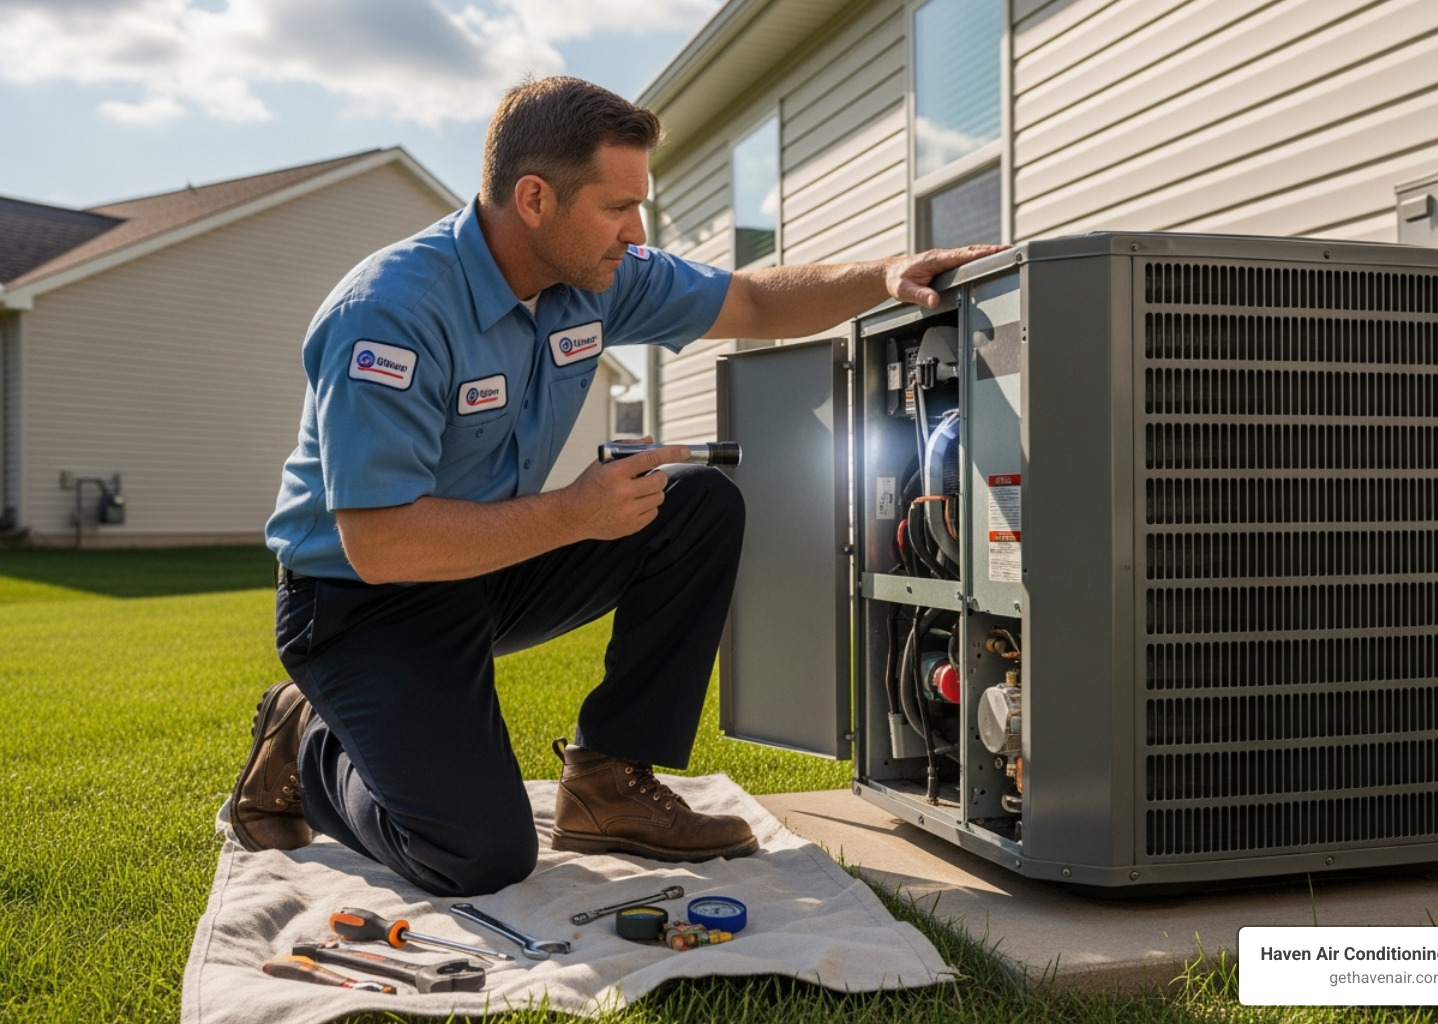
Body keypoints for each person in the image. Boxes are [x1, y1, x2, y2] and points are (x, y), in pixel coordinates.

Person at [230, 75, 1003, 898]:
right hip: (359, 601)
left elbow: (746, 299)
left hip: (484, 566)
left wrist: (885, 273)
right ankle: (307, 743)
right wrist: (570, 514)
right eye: (618, 207)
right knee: (476, 855)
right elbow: (379, 542)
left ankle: (607, 783)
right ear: (534, 198)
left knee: (693, 504)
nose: (636, 231)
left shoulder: (600, 276)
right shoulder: (388, 314)